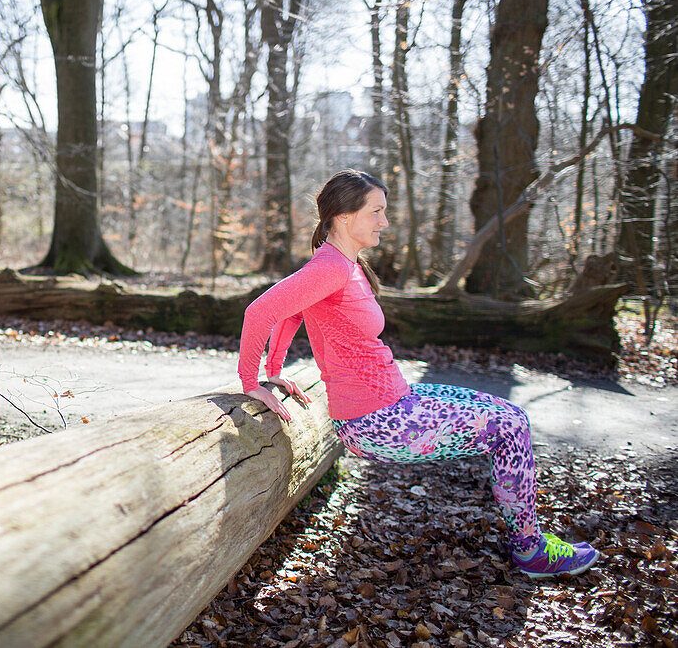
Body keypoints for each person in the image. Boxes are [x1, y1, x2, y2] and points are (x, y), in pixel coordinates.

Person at [237, 169, 600, 579]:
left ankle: (531, 541)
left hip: (395, 403)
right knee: (510, 425)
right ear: (343, 216)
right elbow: (261, 311)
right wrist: (253, 382)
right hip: (375, 422)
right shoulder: (330, 269)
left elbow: (292, 313)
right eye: (376, 211)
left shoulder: (342, 264)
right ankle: (531, 549)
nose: (384, 222)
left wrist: (275, 370)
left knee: (510, 415)